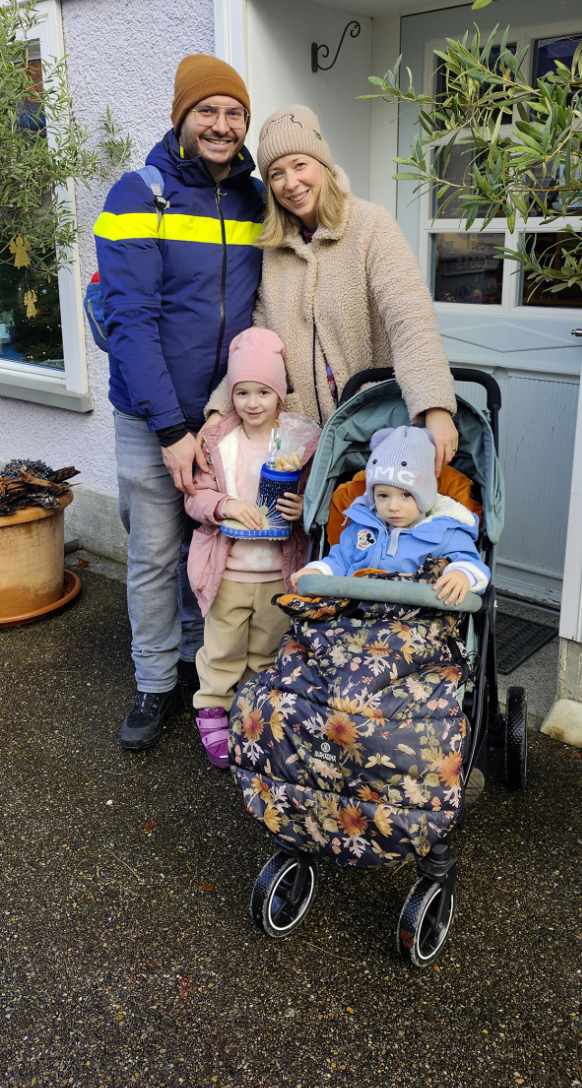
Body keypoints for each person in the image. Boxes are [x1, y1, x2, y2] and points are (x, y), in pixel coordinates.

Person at [94, 54, 264, 751]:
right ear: (182, 118)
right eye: (207, 111)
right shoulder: (138, 193)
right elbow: (129, 320)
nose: (222, 125)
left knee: (222, 543)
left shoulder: (256, 198)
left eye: (234, 113)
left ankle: (208, 674)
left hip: (230, 414)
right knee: (158, 551)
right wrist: (170, 430)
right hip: (151, 415)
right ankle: (155, 681)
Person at [201, 105, 459, 474]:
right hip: (306, 447)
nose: (290, 183)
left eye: (300, 165)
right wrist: (219, 411)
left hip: (376, 433)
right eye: (276, 174)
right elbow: (257, 347)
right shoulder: (274, 253)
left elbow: (410, 320)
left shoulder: (372, 226)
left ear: (322, 164)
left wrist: (434, 406)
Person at [185, 328, 318, 769]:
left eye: (263, 391)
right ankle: (211, 709)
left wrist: (303, 507)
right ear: (231, 395)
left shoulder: (300, 442)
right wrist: (225, 505)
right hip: (229, 571)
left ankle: (251, 709)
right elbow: (195, 495)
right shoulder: (218, 440)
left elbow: (320, 496)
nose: (252, 402)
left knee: (266, 648)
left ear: (280, 395)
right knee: (222, 647)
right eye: (242, 392)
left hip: (279, 571)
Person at [291, 425, 489, 602]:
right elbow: (341, 560)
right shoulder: (361, 526)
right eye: (383, 495)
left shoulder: (446, 531)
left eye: (406, 495)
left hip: (412, 621)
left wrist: (463, 574)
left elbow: (473, 564)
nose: (393, 506)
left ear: (426, 495)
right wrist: (317, 571)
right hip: (354, 611)